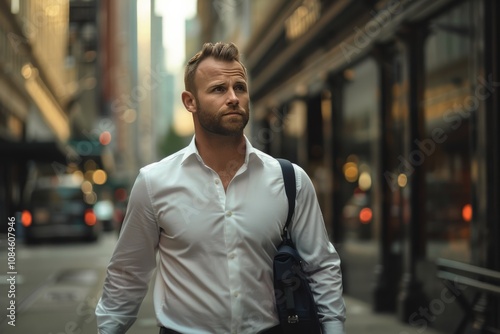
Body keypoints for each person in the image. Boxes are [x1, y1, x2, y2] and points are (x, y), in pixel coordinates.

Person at [95, 42, 346, 334]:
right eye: (218, 89)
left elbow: (321, 266)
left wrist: (333, 329)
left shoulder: (291, 180)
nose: (233, 98)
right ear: (190, 101)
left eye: (239, 87)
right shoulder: (154, 183)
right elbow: (128, 274)